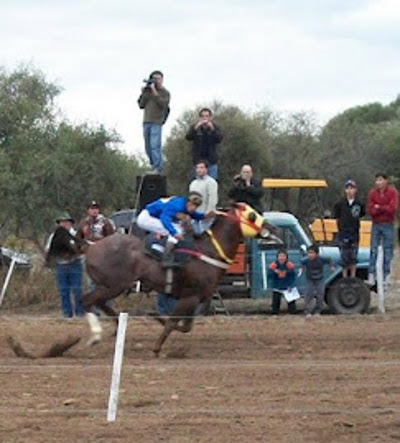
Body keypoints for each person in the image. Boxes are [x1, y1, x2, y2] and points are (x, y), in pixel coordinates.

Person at [136, 192, 212, 267]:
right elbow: (164, 218)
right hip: (146, 218)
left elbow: (194, 214)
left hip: (153, 217)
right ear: (187, 202)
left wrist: (205, 216)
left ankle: (160, 247)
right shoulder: (177, 205)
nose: (193, 208)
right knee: (176, 229)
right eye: (192, 205)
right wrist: (174, 233)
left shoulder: (184, 205)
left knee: (176, 229)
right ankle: (166, 257)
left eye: (196, 206)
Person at [46, 213, 84, 318]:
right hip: (61, 265)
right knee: (64, 290)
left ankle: (80, 312)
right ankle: (67, 313)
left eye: (66, 222)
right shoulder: (53, 236)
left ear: (71, 224)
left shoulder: (75, 234)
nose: (64, 224)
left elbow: (81, 248)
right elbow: (49, 250)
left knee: (77, 290)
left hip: (75, 264)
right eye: (62, 222)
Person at [367, 173, 398, 288]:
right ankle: (371, 273)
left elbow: (392, 208)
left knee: (387, 250)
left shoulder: (392, 192)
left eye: (380, 180)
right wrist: (381, 208)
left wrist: (379, 207)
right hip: (376, 224)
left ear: (386, 180)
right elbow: (370, 210)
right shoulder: (372, 193)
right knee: (373, 249)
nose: (378, 183)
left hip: (388, 224)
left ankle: (387, 275)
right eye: (377, 180)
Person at [137, 70, 170, 174]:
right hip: (147, 121)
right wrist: (144, 93)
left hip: (157, 122)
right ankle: (153, 165)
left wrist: (155, 92)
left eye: (158, 79)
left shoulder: (165, 93)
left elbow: (163, 105)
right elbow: (141, 105)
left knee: (155, 145)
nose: (157, 81)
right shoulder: (148, 92)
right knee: (148, 146)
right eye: (154, 79)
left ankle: (157, 167)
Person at [333, 179, 366, 278]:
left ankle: (353, 276)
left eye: (352, 188)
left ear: (355, 190)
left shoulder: (359, 204)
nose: (350, 191)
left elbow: (361, 214)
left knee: (353, 256)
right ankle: (344, 277)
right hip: (343, 232)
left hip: (354, 232)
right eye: (348, 188)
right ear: (345, 190)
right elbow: (337, 215)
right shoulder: (340, 204)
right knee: (344, 256)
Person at [185, 108, 222, 180]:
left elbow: (219, 139)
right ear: (200, 118)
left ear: (210, 117)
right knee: (198, 185)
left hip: (211, 162)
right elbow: (188, 137)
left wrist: (212, 129)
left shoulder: (215, 127)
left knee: (212, 182)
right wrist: (196, 128)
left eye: (207, 116)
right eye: (203, 116)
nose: (205, 118)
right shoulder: (195, 127)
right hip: (198, 162)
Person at [300, 244, 334, 317]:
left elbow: (329, 260)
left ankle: (318, 311)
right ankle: (307, 311)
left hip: (320, 279)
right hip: (310, 279)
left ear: (317, 254)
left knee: (320, 294)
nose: (310, 255)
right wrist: (302, 269)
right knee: (309, 294)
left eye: (312, 253)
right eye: (309, 253)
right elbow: (302, 263)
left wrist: (331, 267)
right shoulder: (306, 260)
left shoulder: (321, 259)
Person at [189, 160, 218, 233]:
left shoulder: (211, 182)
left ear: (206, 169)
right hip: (194, 216)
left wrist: (208, 214)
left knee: (205, 238)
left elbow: (213, 199)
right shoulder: (193, 183)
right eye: (197, 168)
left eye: (201, 168)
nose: (199, 170)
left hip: (205, 217)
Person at [268, 249, 296, 315]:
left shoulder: (289, 265)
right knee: (276, 300)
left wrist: (291, 285)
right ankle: (275, 312)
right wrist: (274, 272)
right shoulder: (273, 265)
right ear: (277, 257)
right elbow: (269, 275)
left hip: (287, 284)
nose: (282, 258)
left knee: (291, 300)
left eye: (283, 256)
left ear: (286, 257)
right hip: (277, 285)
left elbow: (292, 276)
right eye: (280, 256)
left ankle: (292, 312)